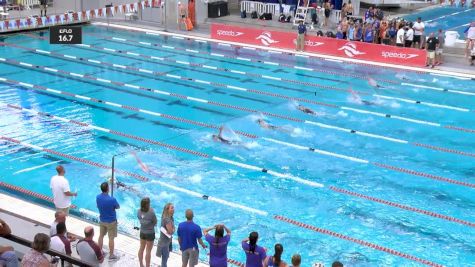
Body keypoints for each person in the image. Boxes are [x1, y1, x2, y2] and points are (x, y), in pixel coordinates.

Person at [96, 182, 120, 260]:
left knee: (101, 236)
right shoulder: (112, 199)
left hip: (102, 220)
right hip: (111, 222)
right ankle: (111, 255)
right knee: (111, 238)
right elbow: (118, 207)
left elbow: (98, 205)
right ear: (108, 189)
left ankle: (100, 251)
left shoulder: (98, 197)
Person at [137, 197, 157, 267]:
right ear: (147, 204)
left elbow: (140, 219)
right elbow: (155, 222)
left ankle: (141, 264)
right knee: (148, 251)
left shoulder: (138, 211)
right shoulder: (151, 212)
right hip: (150, 233)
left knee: (141, 248)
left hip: (142, 232)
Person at [156, 203, 175, 267]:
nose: (173, 209)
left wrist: (173, 230)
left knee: (165, 258)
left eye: (173, 208)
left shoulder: (170, 217)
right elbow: (171, 231)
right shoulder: (167, 219)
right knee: (164, 259)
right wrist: (173, 230)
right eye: (172, 208)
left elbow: (172, 230)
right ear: (167, 210)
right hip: (164, 243)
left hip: (168, 241)